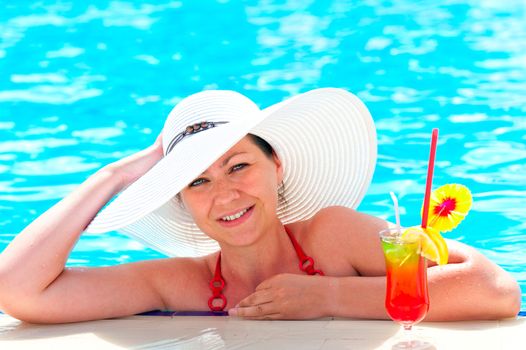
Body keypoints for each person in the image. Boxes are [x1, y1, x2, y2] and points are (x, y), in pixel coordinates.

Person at [0, 88, 520, 324]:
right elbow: (18, 291)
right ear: (182, 201)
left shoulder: (331, 236)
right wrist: (110, 177)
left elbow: (494, 288)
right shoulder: (180, 282)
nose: (224, 194)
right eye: (197, 181)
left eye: (239, 166)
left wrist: (329, 297)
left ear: (278, 167)